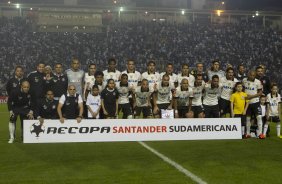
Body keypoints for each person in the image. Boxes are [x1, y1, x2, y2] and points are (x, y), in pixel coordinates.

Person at [242, 71, 264, 139]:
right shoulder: (244, 80)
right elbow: (242, 89)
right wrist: (245, 96)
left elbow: (260, 93)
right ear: (248, 75)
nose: (252, 76)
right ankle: (248, 133)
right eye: (251, 75)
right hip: (247, 103)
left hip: (255, 102)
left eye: (253, 75)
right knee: (248, 118)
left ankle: (260, 134)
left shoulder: (258, 82)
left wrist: (251, 96)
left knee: (259, 117)